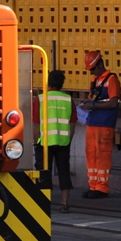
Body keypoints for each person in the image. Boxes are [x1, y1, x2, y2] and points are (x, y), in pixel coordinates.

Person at [32, 69, 76, 213]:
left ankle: (45, 203)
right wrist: (68, 140)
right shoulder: (68, 100)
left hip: (44, 142)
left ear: (48, 82)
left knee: (44, 172)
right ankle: (64, 204)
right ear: (62, 83)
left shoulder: (40, 99)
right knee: (64, 172)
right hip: (63, 142)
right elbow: (72, 124)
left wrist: (36, 140)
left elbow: (36, 124)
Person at [79, 50, 120, 199]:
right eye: (90, 70)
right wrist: (87, 103)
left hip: (105, 123)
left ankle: (102, 188)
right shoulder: (95, 81)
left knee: (102, 155)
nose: (92, 72)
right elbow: (93, 99)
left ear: (101, 64)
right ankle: (93, 186)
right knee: (91, 154)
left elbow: (113, 102)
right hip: (93, 122)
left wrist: (94, 106)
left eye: (93, 69)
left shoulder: (112, 79)